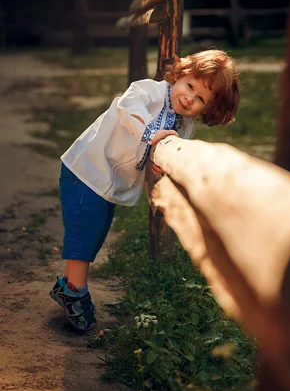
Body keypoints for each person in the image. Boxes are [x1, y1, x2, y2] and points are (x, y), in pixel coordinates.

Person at [50, 49, 240, 331]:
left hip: (107, 182)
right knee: (84, 231)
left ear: (208, 108)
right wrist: (151, 135)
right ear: (179, 75)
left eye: (200, 98)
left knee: (97, 231)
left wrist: (159, 163)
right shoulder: (148, 92)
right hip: (86, 169)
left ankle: (68, 287)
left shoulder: (183, 127)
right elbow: (129, 111)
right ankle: (74, 292)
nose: (189, 98)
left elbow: (162, 152)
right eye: (189, 86)